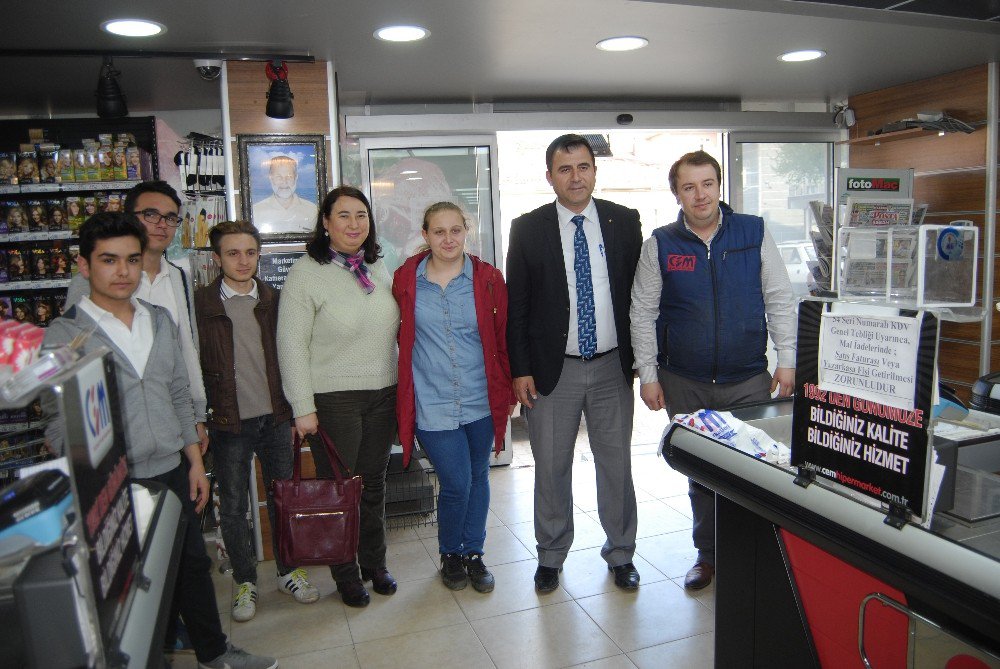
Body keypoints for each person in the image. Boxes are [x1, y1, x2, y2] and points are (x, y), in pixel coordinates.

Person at [43, 212, 276, 669]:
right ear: (85, 266)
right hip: (110, 479)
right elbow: (56, 422)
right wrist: (87, 478)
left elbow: (177, 394)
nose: (123, 271)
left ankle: (214, 651)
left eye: (132, 259)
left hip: (170, 465)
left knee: (191, 565)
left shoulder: (159, 319)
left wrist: (193, 461)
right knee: (127, 581)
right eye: (109, 260)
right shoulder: (65, 336)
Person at [630, 150, 797, 590]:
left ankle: (761, 554)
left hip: (748, 379)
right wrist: (648, 374)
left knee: (758, 469)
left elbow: (779, 297)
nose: (700, 194)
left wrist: (788, 359)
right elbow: (642, 312)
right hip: (684, 382)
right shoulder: (661, 244)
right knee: (701, 474)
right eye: (689, 187)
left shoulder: (753, 232)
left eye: (707, 184)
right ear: (677, 194)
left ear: (720, 187)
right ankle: (709, 555)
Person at [506, 134, 643, 593]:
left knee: (616, 465)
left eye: (583, 166)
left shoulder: (624, 222)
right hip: (552, 371)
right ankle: (550, 555)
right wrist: (520, 369)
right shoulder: (528, 228)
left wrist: (645, 362)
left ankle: (621, 552)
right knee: (549, 467)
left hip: (610, 367)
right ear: (550, 177)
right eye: (565, 169)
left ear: (595, 171)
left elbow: (640, 299)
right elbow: (517, 306)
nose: (576, 176)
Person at [277, 185, 399, 608]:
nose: (354, 224)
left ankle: (374, 563)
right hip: (334, 399)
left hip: (383, 391)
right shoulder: (305, 273)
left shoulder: (378, 265)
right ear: (325, 223)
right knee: (341, 490)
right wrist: (303, 408)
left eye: (361, 215)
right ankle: (346, 574)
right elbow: (290, 345)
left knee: (374, 485)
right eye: (343, 216)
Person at [195, 220, 320, 622]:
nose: (243, 261)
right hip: (229, 423)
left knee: (283, 498)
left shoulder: (276, 300)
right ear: (216, 259)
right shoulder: (201, 305)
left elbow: (294, 354)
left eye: (250, 252)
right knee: (233, 506)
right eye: (232, 253)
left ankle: (288, 571)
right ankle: (245, 581)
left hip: (276, 417)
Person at [392, 202, 516, 593]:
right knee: (457, 482)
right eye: (439, 231)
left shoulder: (489, 279)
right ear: (425, 235)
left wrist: (510, 386)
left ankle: (473, 554)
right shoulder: (405, 280)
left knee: (479, 476)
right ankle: (450, 551)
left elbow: (502, 337)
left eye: (456, 230)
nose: (449, 239)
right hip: (432, 402)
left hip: (480, 399)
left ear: (466, 232)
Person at [66, 180, 209, 453]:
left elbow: (187, 350)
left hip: (171, 425)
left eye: (170, 218)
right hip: (113, 431)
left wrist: (196, 416)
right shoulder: (90, 283)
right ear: (129, 218)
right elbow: (72, 362)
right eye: (150, 215)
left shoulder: (178, 277)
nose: (161, 225)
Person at [251, 156, 318, 233]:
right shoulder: (255, 212)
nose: (284, 182)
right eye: (279, 177)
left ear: (296, 177)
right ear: (271, 178)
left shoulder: (313, 210)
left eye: (289, 177)